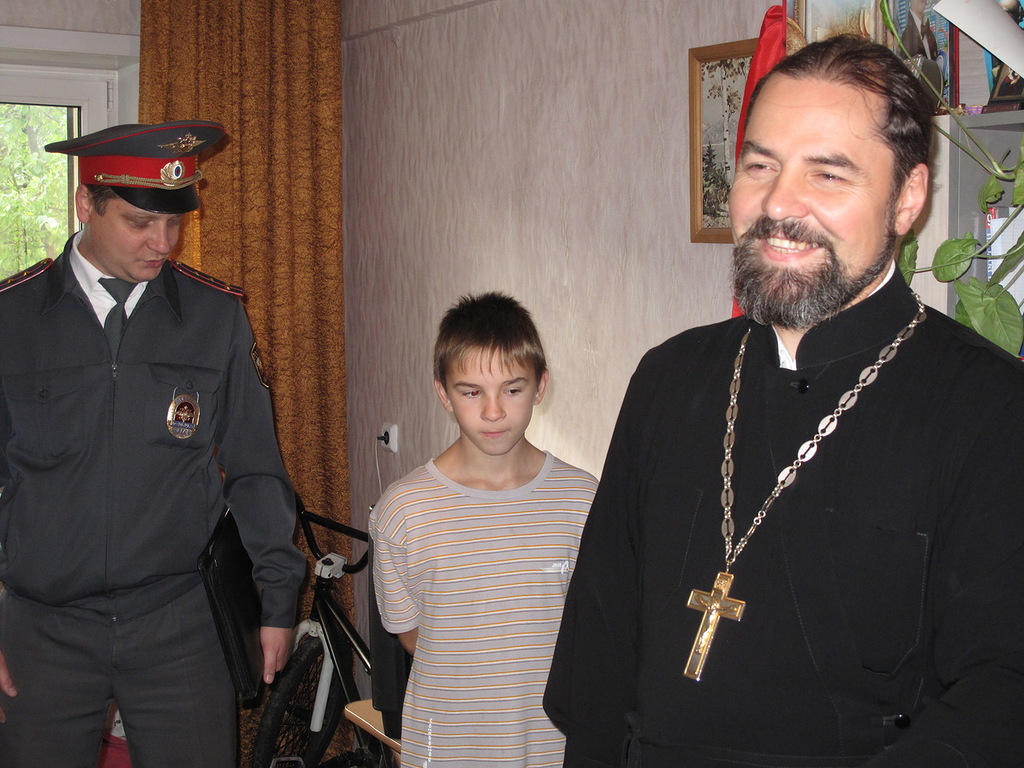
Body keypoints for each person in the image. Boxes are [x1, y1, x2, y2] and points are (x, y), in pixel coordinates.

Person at [545, 35, 1024, 767]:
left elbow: (1003, 688)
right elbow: (601, 643)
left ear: (908, 198)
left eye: (827, 174)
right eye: (760, 165)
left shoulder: (991, 409)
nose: (777, 204)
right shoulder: (669, 377)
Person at [0, 121, 306, 767]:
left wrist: (278, 601)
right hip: (43, 629)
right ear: (86, 203)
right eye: (140, 222)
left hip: (180, 624)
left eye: (175, 222)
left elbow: (256, 468)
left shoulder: (214, 315)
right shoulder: (11, 317)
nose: (162, 242)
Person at [371, 292, 597, 767]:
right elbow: (412, 635)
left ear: (540, 386)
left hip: (552, 750)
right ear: (443, 393)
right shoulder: (404, 511)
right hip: (445, 750)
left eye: (512, 389)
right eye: (471, 392)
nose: (493, 412)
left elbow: (591, 628)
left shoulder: (582, 501)